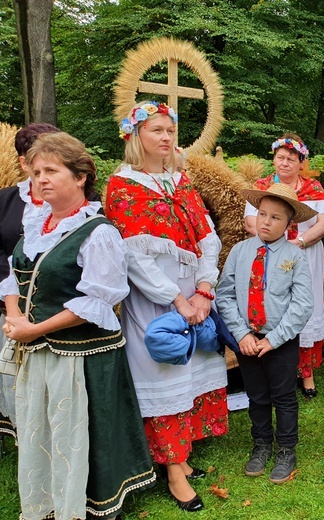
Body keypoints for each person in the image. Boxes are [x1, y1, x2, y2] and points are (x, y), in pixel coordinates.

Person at [1, 132, 155, 520]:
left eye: (52, 170)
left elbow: (97, 300)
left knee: (83, 433)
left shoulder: (98, 232)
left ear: (81, 176)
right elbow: (14, 273)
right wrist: (14, 314)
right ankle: (51, 498)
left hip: (82, 356)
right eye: (36, 172)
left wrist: (33, 330)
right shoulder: (38, 224)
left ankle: (90, 504)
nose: (41, 179)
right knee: (45, 428)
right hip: (39, 353)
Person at [106, 101, 227, 512]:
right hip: (156, 299)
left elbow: (207, 236)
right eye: (156, 129)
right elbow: (133, 256)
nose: (165, 137)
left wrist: (205, 289)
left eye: (170, 131)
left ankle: (182, 457)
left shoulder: (180, 180)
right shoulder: (123, 185)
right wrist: (176, 299)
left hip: (194, 294)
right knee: (163, 372)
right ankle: (173, 471)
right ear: (135, 135)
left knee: (189, 372)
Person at [217, 183, 315, 484]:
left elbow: (302, 303)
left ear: (289, 224)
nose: (266, 222)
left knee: (283, 396)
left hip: (280, 341)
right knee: (256, 395)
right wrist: (242, 335)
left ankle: (286, 448)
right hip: (247, 340)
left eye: (275, 217)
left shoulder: (295, 256)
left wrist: (274, 339)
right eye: (262, 214)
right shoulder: (240, 251)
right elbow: (225, 295)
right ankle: (261, 444)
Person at [244, 134, 324, 398]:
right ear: (273, 159)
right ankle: (275, 372)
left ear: (301, 162)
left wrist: (299, 242)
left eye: (291, 159)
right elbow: (250, 222)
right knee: (273, 306)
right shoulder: (262, 186)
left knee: (303, 306)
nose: (285, 163)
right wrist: (277, 243)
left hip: (305, 256)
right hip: (268, 254)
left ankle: (307, 375)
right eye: (280, 157)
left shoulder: (313, 188)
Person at [0, 123, 59, 443]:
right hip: (12, 310)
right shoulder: (5, 202)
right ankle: (29, 441)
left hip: (61, 308)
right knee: (20, 381)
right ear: (23, 163)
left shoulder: (78, 197)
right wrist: (14, 309)